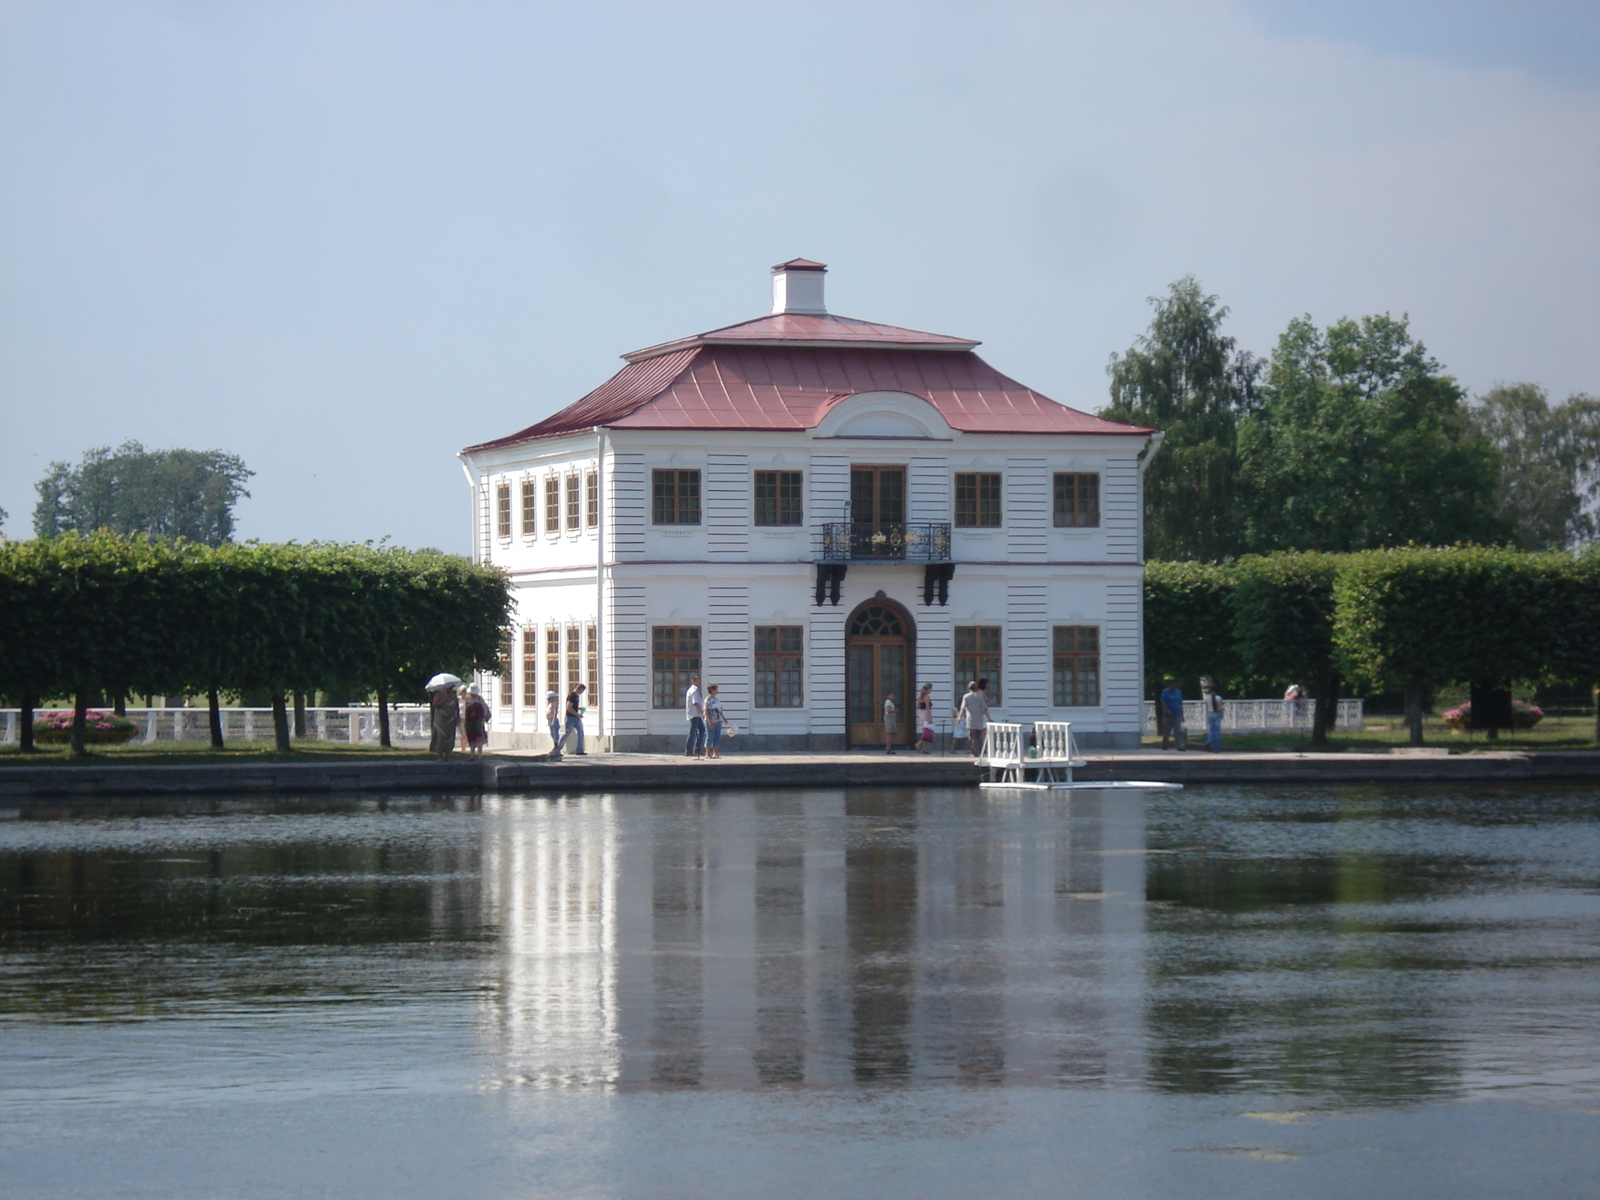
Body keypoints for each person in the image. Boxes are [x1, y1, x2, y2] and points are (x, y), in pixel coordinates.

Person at [957, 680, 988, 759]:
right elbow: (984, 709)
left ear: (969, 688)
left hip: (971, 719)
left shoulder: (966, 696)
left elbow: (963, 708)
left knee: (972, 737)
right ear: (976, 688)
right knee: (978, 736)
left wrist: (959, 717)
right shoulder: (980, 696)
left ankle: (975, 753)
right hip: (979, 719)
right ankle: (979, 751)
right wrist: (989, 718)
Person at [429, 684, 459, 762]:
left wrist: (457, 716)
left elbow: (456, 706)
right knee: (441, 736)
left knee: (450, 736)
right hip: (441, 719)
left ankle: (448, 755)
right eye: (449, 687)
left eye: (452, 687)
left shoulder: (453, 694)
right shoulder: (439, 694)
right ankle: (440, 756)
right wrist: (444, 700)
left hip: (450, 718)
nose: (451, 689)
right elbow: (435, 704)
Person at [460, 684, 490, 756]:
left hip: (478, 722)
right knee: (471, 739)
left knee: (479, 739)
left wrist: (483, 718)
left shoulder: (480, 699)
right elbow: (464, 710)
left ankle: (479, 755)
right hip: (470, 722)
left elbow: (485, 709)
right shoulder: (467, 699)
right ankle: (472, 754)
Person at [1160, 678, 1186, 751]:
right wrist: (1168, 711)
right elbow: (1163, 703)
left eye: (1175, 684)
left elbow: (1180, 704)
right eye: (1173, 684)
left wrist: (1182, 714)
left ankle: (1180, 746)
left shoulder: (1178, 692)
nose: (1174, 686)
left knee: (1178, 731)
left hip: (1177, 715)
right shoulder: (1165, 692)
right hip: (1168, 715)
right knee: (1166, 731)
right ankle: (1164, 745)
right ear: (1170, 685)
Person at [684, 676, 706, 758]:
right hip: (694, 714)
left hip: (696, 714)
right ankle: (689, 750)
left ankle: (698, 748)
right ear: (693, 682)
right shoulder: (694, 691)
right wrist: (702, 713)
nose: (699, 683)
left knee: (702, 730)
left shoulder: (694, 690)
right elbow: (696, 703)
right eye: (697, 681)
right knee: (692, 732)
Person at [1201, 675, 1223, 754]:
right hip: (1217, 714)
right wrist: (1222, 714)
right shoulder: (1219, 698)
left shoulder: (1207, 697)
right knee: (1217, 731)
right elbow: (1220, 708)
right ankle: (1216, 748)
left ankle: (1209, 741)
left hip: (1210, 714)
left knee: (1212, 730)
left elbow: (1207, 706)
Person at [565, 682, 587, 755]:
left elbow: (573, 706)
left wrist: (579, 708)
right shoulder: (572, 696)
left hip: (576, 718)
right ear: (579, 689)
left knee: (581, 733)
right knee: (566, 734)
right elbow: (569, 708)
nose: (582, 692)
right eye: (582, 691)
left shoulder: (577, 696)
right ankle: (557, 748)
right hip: (570, 718)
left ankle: (579, 750)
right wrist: (577, 714)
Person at [704, 684, 726, 759]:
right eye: (716, 689)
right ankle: (707, 753)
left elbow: (719, 710)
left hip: (718, 720)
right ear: (712, 690)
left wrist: (724, 718)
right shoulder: (708, 700)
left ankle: (715, 753)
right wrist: (709, 721)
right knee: (710, 737)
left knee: (716, 737)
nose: (717, 691)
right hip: (711, 720)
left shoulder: (716, 699)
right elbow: (706, 711)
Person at [915, 683, 935, 754]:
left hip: (921, 714)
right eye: (931, 688)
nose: (931, 690)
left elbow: (917, 706)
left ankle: (924, 749)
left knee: (924, 731)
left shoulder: (920, 697)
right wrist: (930, 718)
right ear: (928, 689)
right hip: (926, 714)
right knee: (927, 731)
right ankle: (918, 744)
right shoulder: (927, 697)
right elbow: (928, 708)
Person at [544, 691, 562, 757]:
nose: (548, 700)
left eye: (549, 698)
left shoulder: (554, 703)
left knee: (555, 734)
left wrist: (553, 720)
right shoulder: (550, 703)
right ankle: (555, 747)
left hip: (552, 720)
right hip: (550, 719)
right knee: (552, 734)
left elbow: (555, 712)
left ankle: (556, 747)